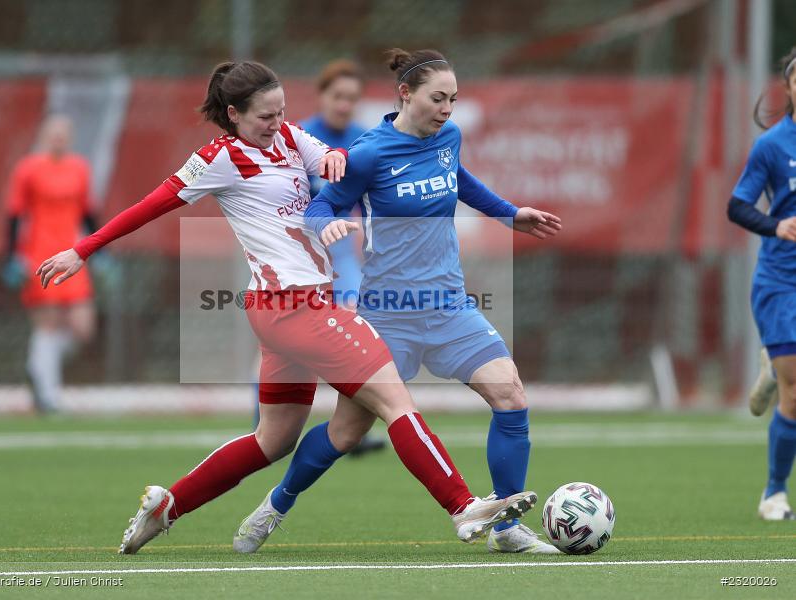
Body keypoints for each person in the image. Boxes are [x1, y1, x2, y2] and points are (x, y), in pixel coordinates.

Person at [35, 60, 537, 555]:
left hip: (289, 310)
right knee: (395, 402)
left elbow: (335, 161)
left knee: (272, 440)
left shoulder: (292, 138)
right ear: (233, 114)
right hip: (297, 307)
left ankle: (168, 506)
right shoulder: (218, 159)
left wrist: (342, 165)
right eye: (265, 116)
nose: (278, 123)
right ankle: (462, 506)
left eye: (281, 111)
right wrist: (82, 250)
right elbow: (150, 205)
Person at [235, 49, 562, 554]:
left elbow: (460, 180)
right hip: (388, 313)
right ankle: (276, 504)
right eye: (438, 98)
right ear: (405, 94)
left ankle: (505, 525)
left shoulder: (448, 138)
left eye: (453, 99)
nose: (447, 109)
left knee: (511, 396)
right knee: (345, 432)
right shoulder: (369, 153)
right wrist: (330, 226)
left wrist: (509, 213)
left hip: (450, 306)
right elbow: (321, 205)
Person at [300, 59, 384, 456]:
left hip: (342, 258)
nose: (345, 105)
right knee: (282, 348)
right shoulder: (299, 138)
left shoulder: (362, 141)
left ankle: (349, 430)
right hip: (297, 259)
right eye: (338, 96)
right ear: (322, 96)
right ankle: (263, 429)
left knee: (354, 330)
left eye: (352, 98)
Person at [727, 46, 796, 521]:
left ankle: (774, 369)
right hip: (782, 280)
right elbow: (738, 205)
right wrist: (777, 226)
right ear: (789, 87)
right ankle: (774, 493)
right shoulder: (773, 145)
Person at [4, 114, 98, 413]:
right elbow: (15, 215)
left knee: (83, 327)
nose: (58, 140)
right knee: (48, 323)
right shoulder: (28, 169)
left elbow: (88, 213)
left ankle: (38, 366)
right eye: (53, 134)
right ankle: (48, 394)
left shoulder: (79, 168)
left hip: (73, 255)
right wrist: (13, 256)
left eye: (63, 135)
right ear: (44, 136)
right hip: (40, 253)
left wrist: (101, 252)